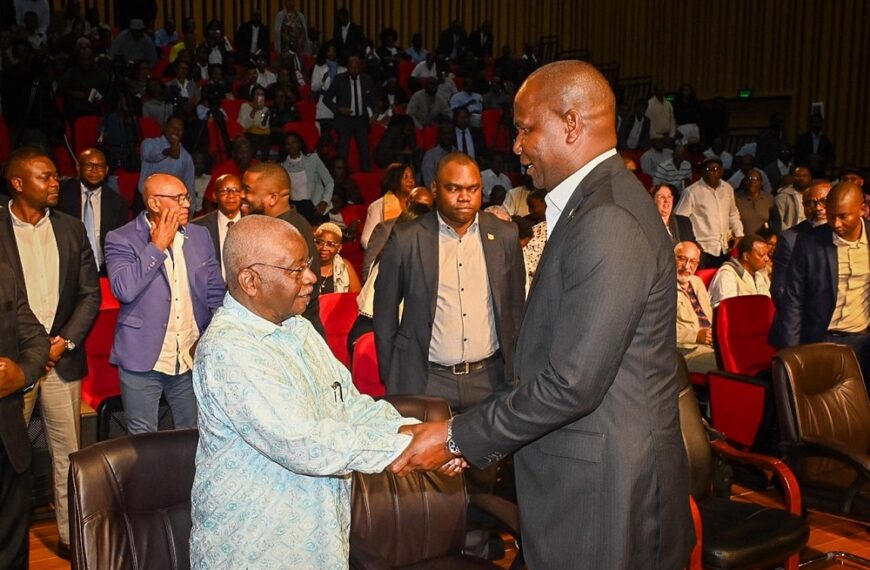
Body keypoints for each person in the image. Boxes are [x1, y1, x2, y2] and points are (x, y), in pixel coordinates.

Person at [388, 61, 694, 569]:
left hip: (604, 496)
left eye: (526, 128)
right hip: (583, 482)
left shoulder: (608, 218)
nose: (516, 146)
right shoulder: (592, 207)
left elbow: (571, 383)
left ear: (571, 124)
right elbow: (549, 360)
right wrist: (475, 434)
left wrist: (456, 435)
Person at [188, 214, 417, 569]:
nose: (311, 277)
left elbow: (350, 405)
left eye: (307, 265)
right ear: (250, 279)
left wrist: (418, 432)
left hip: (318, 541)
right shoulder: (228, 349)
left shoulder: (300, 331)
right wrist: (412, 448)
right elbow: (303, 442)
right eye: (295, 270)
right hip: (255, 548)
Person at [1, 147, 101, 558]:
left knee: (69, 455)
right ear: (18, 183)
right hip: (12, 367)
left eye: (57, 176)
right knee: (12, 459)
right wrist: (31, 353)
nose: (56, 181)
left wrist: (62, 343)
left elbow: (89, 295)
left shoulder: (72, 229)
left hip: (61, 358)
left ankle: (68, 536)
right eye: (45, 176)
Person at [374, 153, 525, 411]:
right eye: (454, 188)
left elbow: (515, 307)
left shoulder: (504, 235)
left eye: (473, 189)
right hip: (427, 380)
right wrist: (393, 374)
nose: (464, 197)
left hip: (490, 380)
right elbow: (384, 311)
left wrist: (515, 370)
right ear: (434, 189)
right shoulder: (407, 237)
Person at [105, 174, 225, 434]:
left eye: (187, 197)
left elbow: (215, 292)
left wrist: (210, 338)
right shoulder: (121, 238)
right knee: (143, 437)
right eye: (178, 198)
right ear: (154, 203)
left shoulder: (200, 235)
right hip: (143, 357)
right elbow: (124, 290)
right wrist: (156, 246)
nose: (187, 204)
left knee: (192, 433)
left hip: (190, 354)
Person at [770, 182, 870, 377]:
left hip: (863, 343)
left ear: (862, 209)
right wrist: (790, 354)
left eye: (843, 216)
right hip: (820, 339)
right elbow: (793, 301)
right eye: (831, 216)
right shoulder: (810, 242)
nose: (836, 224)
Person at [0, 246, 50, 570]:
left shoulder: (4, 273)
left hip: (9, 441)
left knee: (12, 551)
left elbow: (36, 339)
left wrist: (22, 374)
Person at [241, 162, 325, 336]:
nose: (242, 195)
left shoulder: (288, 235)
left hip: (293, 334)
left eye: (249, 190)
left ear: (272, 198)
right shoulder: (277, 226)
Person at [55, 148, 129, 275]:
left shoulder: (118, 203)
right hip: (66, 266)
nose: (95, 171)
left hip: (103, 270)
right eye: (89, 165)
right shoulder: (60, 194)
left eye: (100, 166)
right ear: (78, 167)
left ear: (106, 170)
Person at [675, 157, 744, 268]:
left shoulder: (727, 188)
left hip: (725, 247)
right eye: (708, 170)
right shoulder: (692, 192)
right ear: (702, 172)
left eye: (715, 169)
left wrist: (739, 234)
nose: (712, 172)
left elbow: (733, 214)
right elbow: (679, 218)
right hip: (703, 249)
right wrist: (691, 243)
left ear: (721, 171)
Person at [771, 179, 831, 304]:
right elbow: (780, 289)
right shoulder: (790, 239)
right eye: (810, 203)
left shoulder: (846, 234)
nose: (818, 208)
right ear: (803, 206)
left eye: (824, 201)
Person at [361, 186, 434, 280]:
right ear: (409, 204)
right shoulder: (386, 229)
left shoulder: (432, 231)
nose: (425, 212)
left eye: (429, 208)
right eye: (420, 206)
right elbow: (368, 270)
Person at [323, 56, 375, 172]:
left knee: (365, 151)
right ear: (348, 67)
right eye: (352, 67)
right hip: (344, 120)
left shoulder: (367, 79)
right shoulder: (339, 79)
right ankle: (343, 178)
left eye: (357, 67)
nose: (355, 70)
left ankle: (365, 177)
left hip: (361, 120)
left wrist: (374, 114)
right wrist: (338, 109)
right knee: (343, 151)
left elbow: (372, 99)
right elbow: (326, 99)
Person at [674, 241, 716, 373]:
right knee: (727, 363)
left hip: (710, 344)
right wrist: (696, 335)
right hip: (684, 351)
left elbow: (710, 316)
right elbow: (659, 330)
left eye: (693, 262)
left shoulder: (696, 282)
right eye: (682, 259)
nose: (687, 267)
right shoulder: (663, 287)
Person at [192, 174, 243, 279]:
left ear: (242, 194)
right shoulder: (197, 227)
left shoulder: (254, 224)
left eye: (235, 190)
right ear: (214, 196)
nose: (231, 195)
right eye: (224, 191)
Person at [281, 131, 335, 223]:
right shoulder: (282, 166)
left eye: (294, 142)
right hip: (295, 209)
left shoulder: (313, 159)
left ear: (300, 144)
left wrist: (325, 201)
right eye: (288, 144)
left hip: (315, 206)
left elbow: (329, 182)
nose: (291, 146)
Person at [139, 116, 196, 200]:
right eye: (173, 128)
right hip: (145, 199)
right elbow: (149, 155)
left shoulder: (186, 157)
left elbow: (189, 187)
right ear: (164, 127)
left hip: (171, 204)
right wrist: (167, 152)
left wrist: (190, 210)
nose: (176, 131)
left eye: (179, 130)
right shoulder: (149, 144)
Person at [360, 162, 416, 248]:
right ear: (395, 180)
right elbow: (366, 239)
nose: (411, 180)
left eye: (412, 177)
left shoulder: (419, 204)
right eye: (405, 177)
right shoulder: (378, 206)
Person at [708, 234, 772, 306]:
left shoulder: (759, 274)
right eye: (761, 255)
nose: (767, 259)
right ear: (746, 256)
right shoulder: (727, 275)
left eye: (767, 255)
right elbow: (727, 310)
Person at [315, 222, 361, 294]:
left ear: (339, 248)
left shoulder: (346, 266)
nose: (324, 247)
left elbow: (355, 295)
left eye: (330, 244)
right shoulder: (307, 264)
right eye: (319, 242)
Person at [735, 168, 777, 236]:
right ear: (745, 181)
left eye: (755, 180)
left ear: (761, 183)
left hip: (763, 241)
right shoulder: (736, 198)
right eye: (750, 179)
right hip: (744, 241)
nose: (752, 182)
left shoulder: (769, 199)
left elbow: (776, 221)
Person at [774, 164, 812, 230]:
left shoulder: (814, 194)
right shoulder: (783, 196)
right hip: (791, 233)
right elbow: (778, 220)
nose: (801, 178)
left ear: (810, 177)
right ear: (792, 177)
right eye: (797, 176)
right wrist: (789, 233)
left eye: (804, 176)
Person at [420, 122, 456, 187]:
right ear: (439, 135)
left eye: (449, 133)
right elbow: (429, 182)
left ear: (453, 135)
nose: (446, 136)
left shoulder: (459, 155)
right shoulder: (430, 155)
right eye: (443, 133)